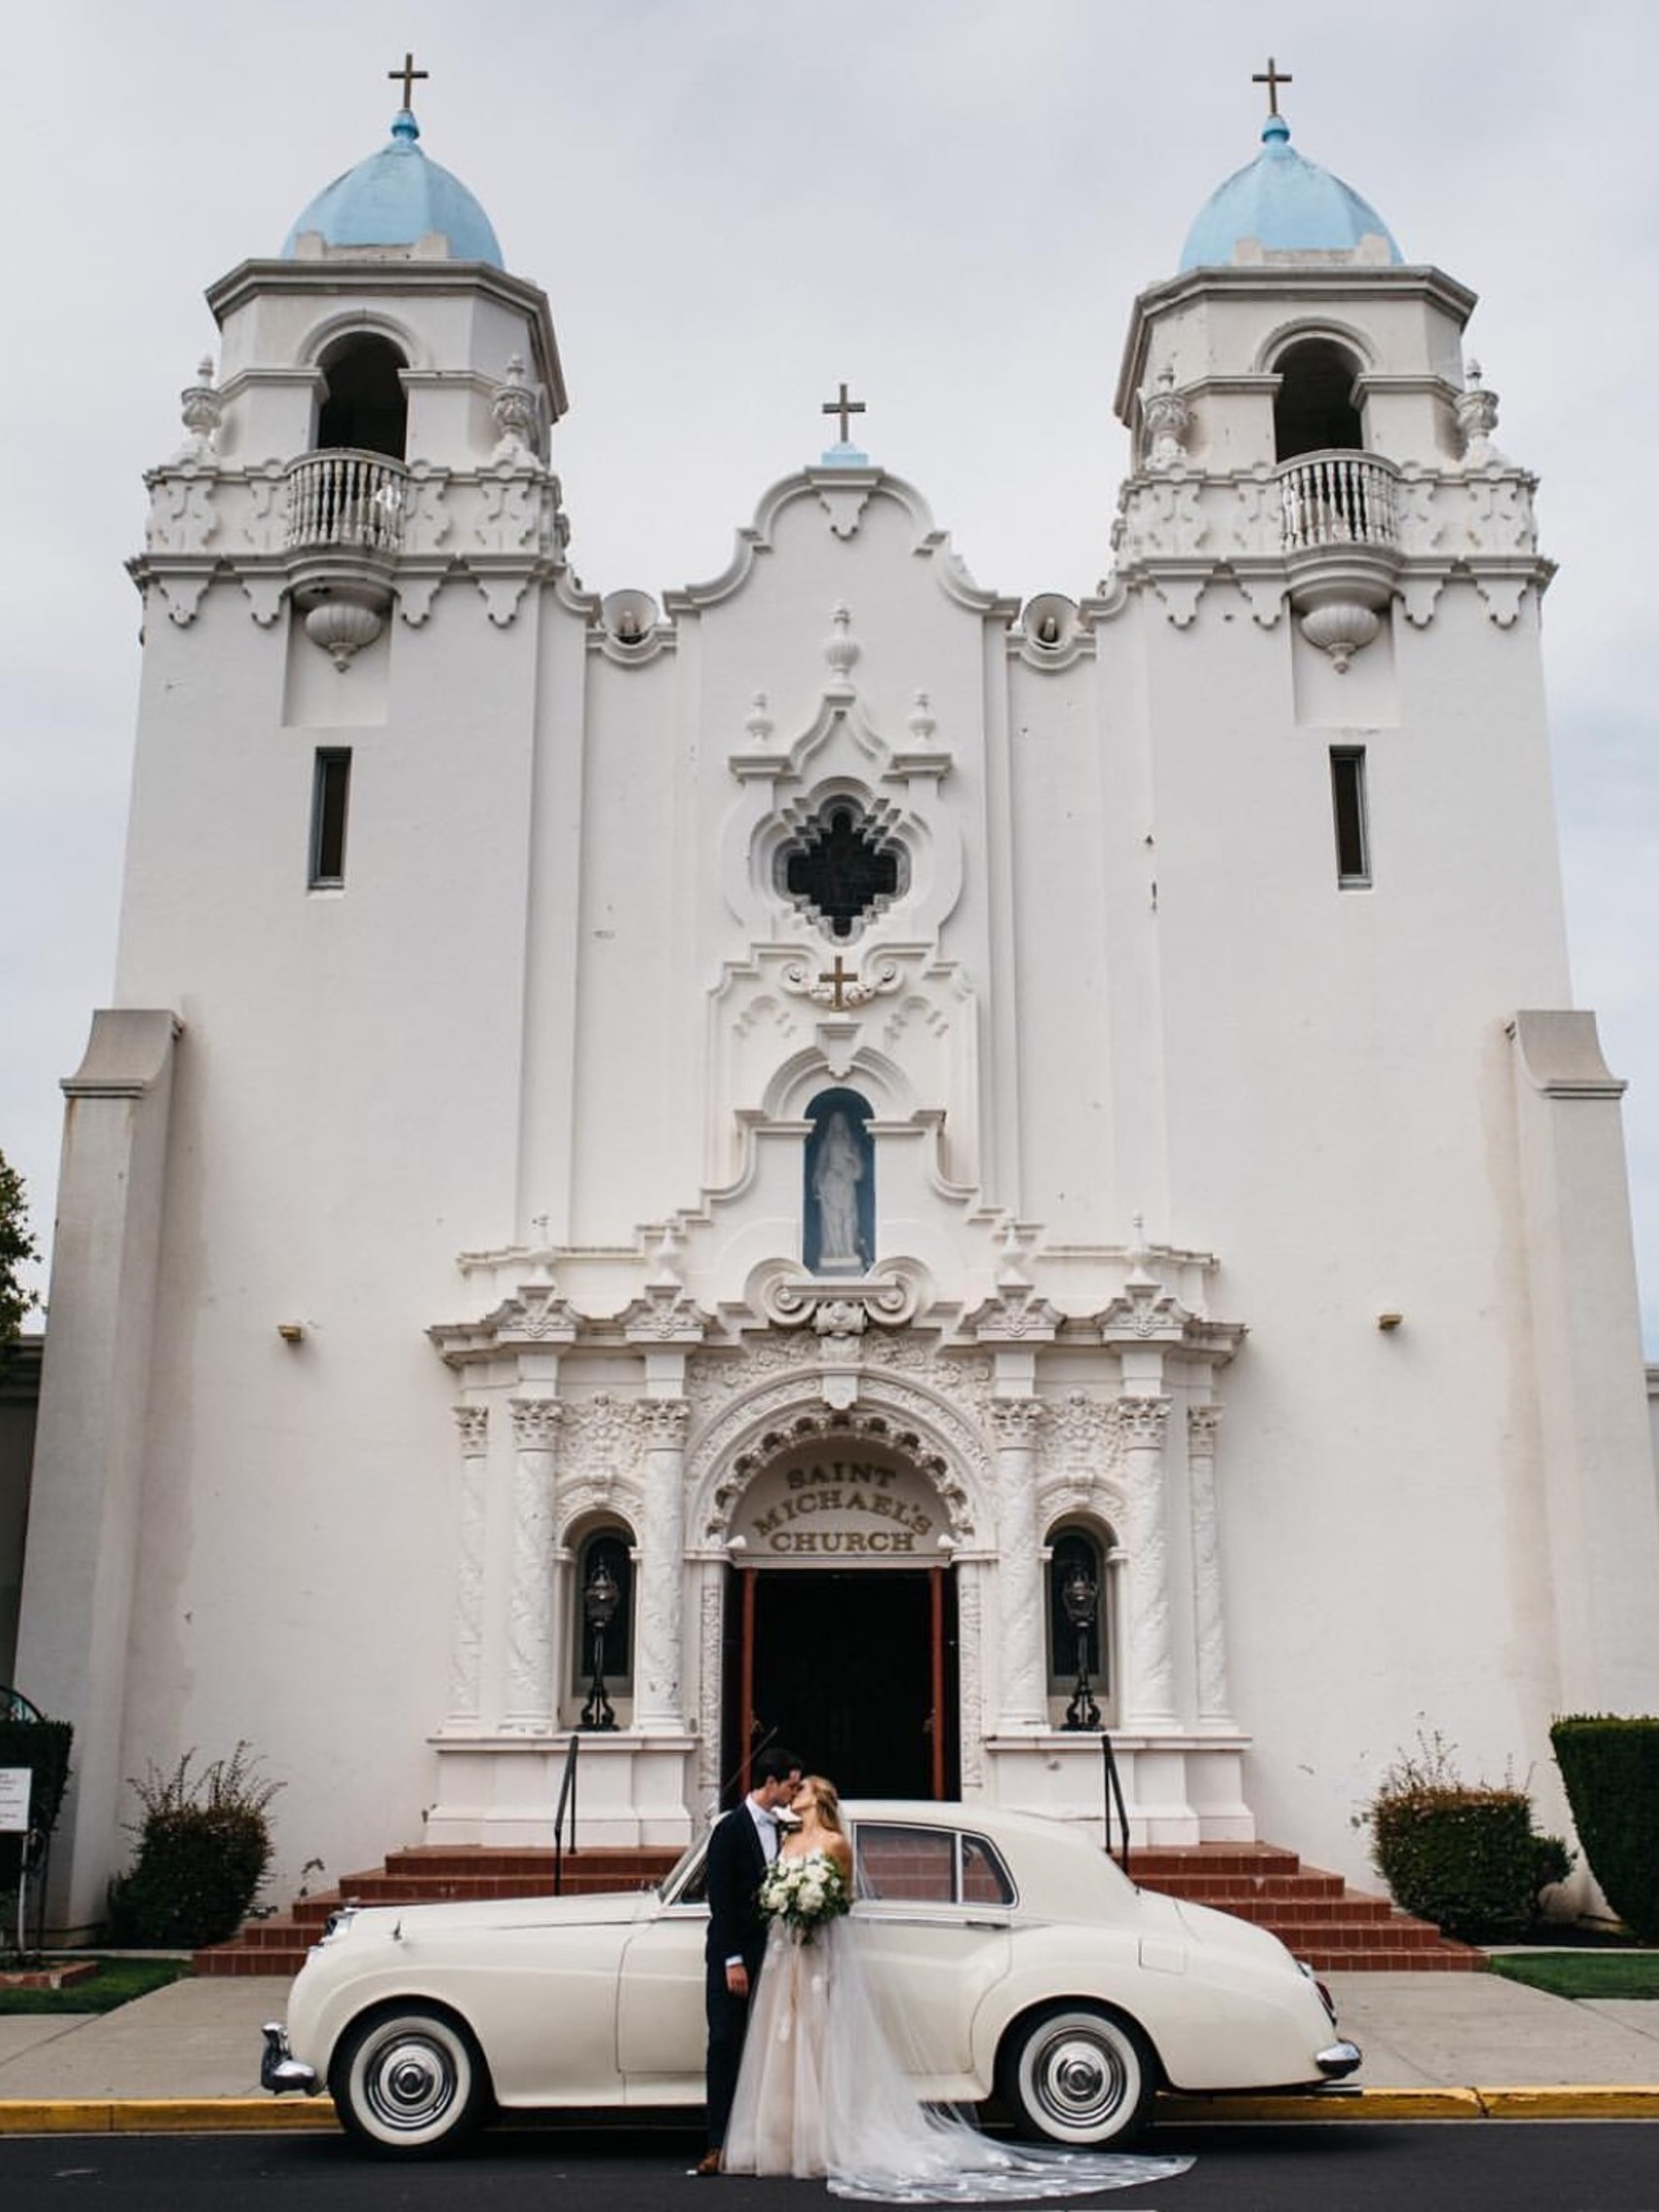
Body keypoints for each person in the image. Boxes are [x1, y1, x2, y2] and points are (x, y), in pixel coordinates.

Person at [721, 1774, 1194, 2202]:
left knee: (827, 2045)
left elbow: (844, 1898)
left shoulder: (835, 1844)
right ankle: (790, 2137)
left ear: (818, 1799)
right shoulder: (786, 1840)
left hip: (820, 1952)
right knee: (788, 2045)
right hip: (788, 1956)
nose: (794, 1791)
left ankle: (827, 2136)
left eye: (802, 1788)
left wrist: (811, 1908)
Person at [697, 1746, 803, 2178]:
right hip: (735, 1956)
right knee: (725, 2042)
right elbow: (720, 1900)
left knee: (767, 2049)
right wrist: (732, 1959)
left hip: (773, 1956)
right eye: (791, 1785)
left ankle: (760, 2140)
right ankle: (717, 2143)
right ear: (770, 1783)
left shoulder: (787, 1828)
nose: (795, 1793)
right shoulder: (730, 1829)